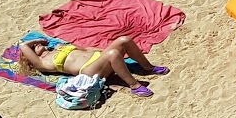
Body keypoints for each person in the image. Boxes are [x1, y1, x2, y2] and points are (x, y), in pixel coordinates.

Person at [15, 35, 167, 97]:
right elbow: (23, 46)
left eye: (36, 43)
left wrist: (106, 51)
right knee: (113, 54)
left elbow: (86, 49)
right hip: (89, 70)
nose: (36, 44)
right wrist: (29, 44)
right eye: (34, 46)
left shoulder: (58, 47)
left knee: (123, 40)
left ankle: (148, 67)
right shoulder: (43, 63)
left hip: (98, 58)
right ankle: (134, 85)